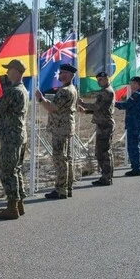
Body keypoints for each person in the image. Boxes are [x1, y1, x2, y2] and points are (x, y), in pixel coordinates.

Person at [0, 59, 29, 218]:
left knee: (8, 171)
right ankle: (18, 203)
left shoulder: (13, 91)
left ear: (16, 71)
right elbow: (3, 104)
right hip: (19, 135)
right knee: (16, 170)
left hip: (11, 136)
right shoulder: (22, 89)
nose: (7, 73)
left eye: (9, 70)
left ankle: (12, 207)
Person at [36, 64, 78, 199]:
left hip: (61, 128)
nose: (61, 75)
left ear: (71, 75)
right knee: (67, 158)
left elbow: (52, 108)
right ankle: (67, 187)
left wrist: (40, 99)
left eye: (64, 73)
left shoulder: (65, 91)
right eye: (60, 73)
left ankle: (61, 189)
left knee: (60, 159)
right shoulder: (71, 89)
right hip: (65, 127)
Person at [78, 71, 115, 186]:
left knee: (103, 152)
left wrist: (83, 104)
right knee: (102, 151)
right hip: (102, 123)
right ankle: (106, 175)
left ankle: (106, 176)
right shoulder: (106, 91)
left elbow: (97, 106)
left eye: (102, 79)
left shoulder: (106, 92)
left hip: (105, 125)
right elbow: (100, 109)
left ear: (107, 79)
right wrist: (87, 111)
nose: (100, 81)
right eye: (98, 79)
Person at [115, 76, 140, 176]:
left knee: (134, 147)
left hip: (135, 124)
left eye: (132, 83)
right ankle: (136, 167)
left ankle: (136, 168)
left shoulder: (137, 95)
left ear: (137, 84)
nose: (130, 85)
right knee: (135, 146)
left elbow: (126, 105)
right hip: (136, 124)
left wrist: (113, 103)